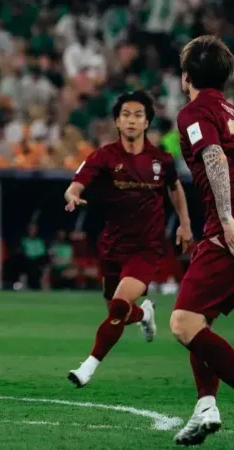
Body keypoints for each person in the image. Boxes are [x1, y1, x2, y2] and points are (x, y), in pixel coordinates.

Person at [63, 90, 192, 388]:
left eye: (137, 115)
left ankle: (88, 367)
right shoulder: (104, 156)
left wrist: (184, 224)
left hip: (146, 248)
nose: (131, 120)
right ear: (117, 122)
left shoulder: (161, 159)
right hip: (112, 245)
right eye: (125, 115)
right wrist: (72, 196)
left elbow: (175, 188)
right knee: (116, 309)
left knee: (119, 305)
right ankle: (144, 313)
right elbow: (76, 183)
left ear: (147, 122)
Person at [171, 35, 234, 446]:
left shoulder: (194, 112)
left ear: (185, 77)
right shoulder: (230, 111)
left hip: (225, 231)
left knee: (184, 322)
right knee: (201, 319)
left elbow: (213, 157)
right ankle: (206, 406)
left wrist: (226, 218)